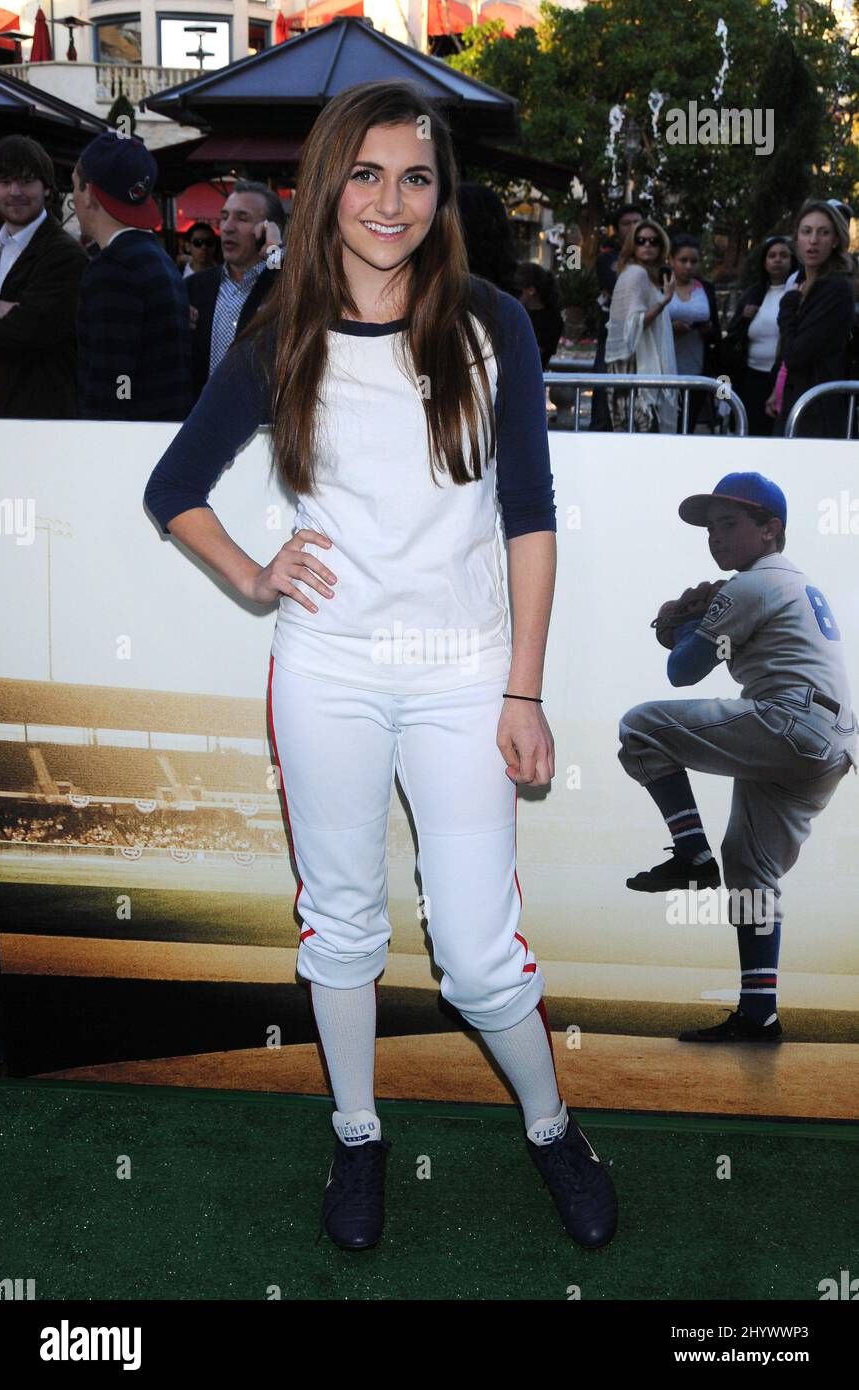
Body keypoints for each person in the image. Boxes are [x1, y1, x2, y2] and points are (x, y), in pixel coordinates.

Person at [144, 79, 617, 1254]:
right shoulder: (279, 331)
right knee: (340, 926)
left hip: (465, 674)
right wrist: (256, 574)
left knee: (473, 952)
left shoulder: (491, 322)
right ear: (324, 191)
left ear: (440, 195)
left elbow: (528, 516)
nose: (390, 200)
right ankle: (356, 1131)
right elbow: (172, 492)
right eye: (365, 174)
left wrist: (522, 688)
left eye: (415, 176)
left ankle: (552, 1126)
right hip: (328, 674)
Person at [618, 473, 856, 1043]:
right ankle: (759, 1013)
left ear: (771, 531)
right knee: (751, 869)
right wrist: (696, 625)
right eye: (710, 527)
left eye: (730, 523)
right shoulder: (788, 582)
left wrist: (681, 625)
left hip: (791, 722)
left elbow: (682, 670)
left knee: (641, 727)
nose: (715, 537)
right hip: (828, 744)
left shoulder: (751, 583)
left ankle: (692, 856)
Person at [73, 132, 192, 422]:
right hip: (153, 441)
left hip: (122, 451)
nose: (73, 197)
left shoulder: (113, 269)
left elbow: (110, 388)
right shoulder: (156, 257)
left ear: (89, 193)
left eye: (74, 184)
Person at [0, 134, 87, 418]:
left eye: (26, 181)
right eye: (4, 182)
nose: (15, 192)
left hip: (38, 418)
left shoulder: (66, 255)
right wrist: (2, 309)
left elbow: (26, 333)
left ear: (46, 188)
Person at [186, 182, 286, 400]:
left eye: (242, 218)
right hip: (201, 419)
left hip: (263, 426)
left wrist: (275, 248)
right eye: (224, 217)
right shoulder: (193, 288)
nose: (227, 227)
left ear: (269, 228)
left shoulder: (282, 285)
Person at [766, 200, 855, 438]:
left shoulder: (836, 288)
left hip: (818, 414)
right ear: (797, 238)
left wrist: (787, 306)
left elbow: (796, 354)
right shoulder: (802, 285)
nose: (813, 240)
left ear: (836, 240)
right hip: (794, 405)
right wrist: (778, 389)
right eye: (807, 232)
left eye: (823, 232)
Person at [604, 217, 677, 433]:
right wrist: (665, 301)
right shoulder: (636, 273)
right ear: (632, 245)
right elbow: (634, 326)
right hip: (634, 367)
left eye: (653, 241)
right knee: (641, 435)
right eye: (641, 240)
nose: (647, 245)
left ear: (661, 246)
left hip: (633, 365)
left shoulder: (646, 275)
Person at [722, 235, 797, 437]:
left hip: (784, 380)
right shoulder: (752, 294)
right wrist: (744, 318)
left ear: (793, 260)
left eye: (783, 255)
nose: (778, 260)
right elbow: (733, 334)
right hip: (751, 378)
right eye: (772, 255)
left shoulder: (798, 292)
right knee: (752, 432)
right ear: (764, 262)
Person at [589, 203, 643, 431]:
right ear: (617, 229)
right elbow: (619, 290)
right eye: (626, 223)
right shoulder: (607, 260)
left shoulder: (656, 258)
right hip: (613, 335)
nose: (632, 227)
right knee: (604, 392)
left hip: (645, 338)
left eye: (636, 222)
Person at [666, 233, 722, 433]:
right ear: (671, 260)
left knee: (687, 424)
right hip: (665, 369)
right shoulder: (660, 285)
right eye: (683, 260)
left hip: (696, 369)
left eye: (694, 261)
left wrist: (707, 330)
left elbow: (716, 331)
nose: (688, 266)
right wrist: (671, 328)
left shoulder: (705, 288)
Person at [514, 261, 564, 369]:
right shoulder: (521, 312)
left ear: (531, 290)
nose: (514, 296)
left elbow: (530, 356)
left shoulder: (551, 319)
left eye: (518, 291)